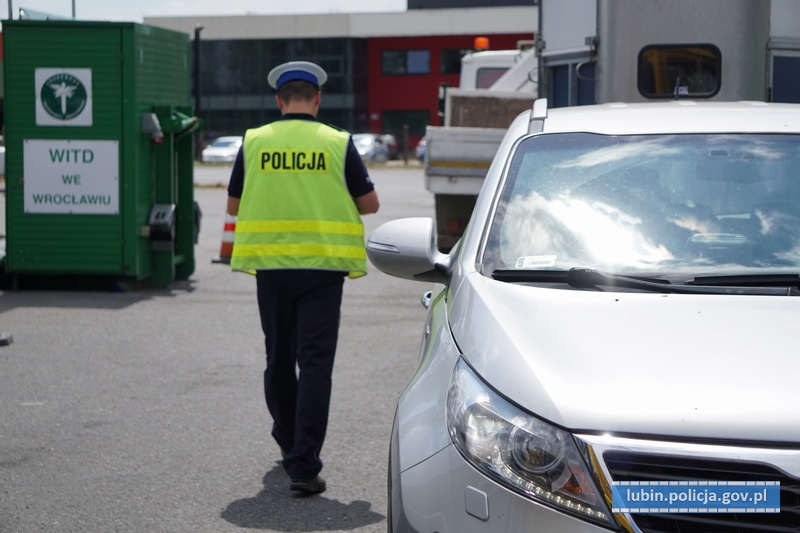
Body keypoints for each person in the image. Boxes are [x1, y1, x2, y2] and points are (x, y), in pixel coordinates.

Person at [226, 61, 380, 495]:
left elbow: (234, 206)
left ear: (279, 101)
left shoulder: (255, 142)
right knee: (313, 362)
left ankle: (288, 440)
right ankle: (303, 463)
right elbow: (370, 204)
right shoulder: (336, 142)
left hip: (271, 268)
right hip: (322, 269)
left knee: (278, 358)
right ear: (317, 100)